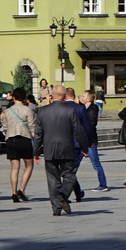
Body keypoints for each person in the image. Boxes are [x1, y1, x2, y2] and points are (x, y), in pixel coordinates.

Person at [33, 83, 86, 215]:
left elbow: (38, 133)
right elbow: (78, 130)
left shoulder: (43, 111)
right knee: (70, 174)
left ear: (52, 95)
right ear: (63, 97)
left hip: (50, 149)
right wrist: (84, 146)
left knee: (52, 179)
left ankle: (56, 208)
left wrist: (36, 151)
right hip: (67, 148)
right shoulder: (70, 111)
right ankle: (63, 194)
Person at [1, 88, 37, 201]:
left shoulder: (7, 111)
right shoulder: (28, 111)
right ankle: (22, 189)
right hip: (24, 139)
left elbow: (4, 128)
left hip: (11, 139)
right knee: (29, 166)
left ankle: (14, 192)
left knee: (14, 168)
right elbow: (32, 128)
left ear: (14, 97)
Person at [78, 90, 109, 191]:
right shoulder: (83, 108)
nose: (81, 97)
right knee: (75, 163)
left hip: (90, 141)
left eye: (83, 96)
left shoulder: (92, 109)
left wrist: (90, 141)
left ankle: (103, 184)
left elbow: (91, 125)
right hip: (82, 140)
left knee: (96, 163)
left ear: (88, 99)